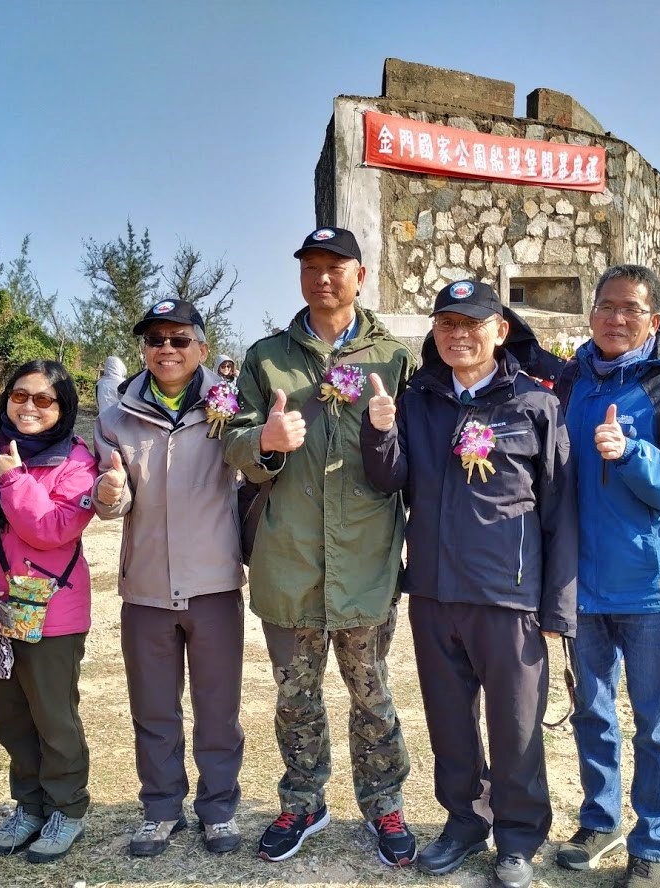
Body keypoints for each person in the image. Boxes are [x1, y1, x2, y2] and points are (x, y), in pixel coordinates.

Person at [360, 280, 577, 888]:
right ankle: (462, 822)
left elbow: (561, 512)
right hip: (432, 592)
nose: (459, 334)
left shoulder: (536, 404)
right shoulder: (418, 398)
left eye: (473, 323)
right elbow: (389, 481)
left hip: (509, 598)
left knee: (516, 727)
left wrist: (559, 606)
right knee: (449, 723)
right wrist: (379, 430)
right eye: (447, 323)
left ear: (500, 330)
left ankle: (516, 837)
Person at [222, 226, 418, 866]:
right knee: (294, 696)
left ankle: (384, 804)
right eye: (311, 266)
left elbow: (411, 460)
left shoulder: (395, 360)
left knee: (373, 693)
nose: (323, 277)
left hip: (365, 562)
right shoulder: (266, 358)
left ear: (361, 274)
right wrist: (266, 441)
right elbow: (235, 446)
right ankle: (302, 800)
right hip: (290, 562)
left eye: (336, 266)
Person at [554, 265, 660, 888]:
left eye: (631, 310)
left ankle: (650, 841)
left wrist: (633, 455)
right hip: (583, 584)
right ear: (590, 314)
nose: (616, 319)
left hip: (651, 585)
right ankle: (600, 818)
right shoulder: (571, 380)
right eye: (606, 307)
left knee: (657, 723)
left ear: (653, 320)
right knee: (591, 712)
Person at [92, 298, 246, 857]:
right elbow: (111, 500)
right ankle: (161, 809)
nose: (167, 350)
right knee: (154, 708)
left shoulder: (230, 406)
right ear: (144, 350)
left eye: (180, 340)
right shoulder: (115, 419)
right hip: (148, 590)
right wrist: (108, 495)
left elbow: (254, 463)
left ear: (202, 348)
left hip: (213, 586)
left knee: (217, 707)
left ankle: (220, 809)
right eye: (156, 340)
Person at [0, 359, 98, 863]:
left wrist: (11, 479)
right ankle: (29, 805)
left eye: (43, 399)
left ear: (63, 407)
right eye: (19, 396)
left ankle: (66, 810)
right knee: (8, 716)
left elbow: (52, 529)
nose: (29, 406)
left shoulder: (77, 461)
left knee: (54, 718)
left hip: (54, 613)